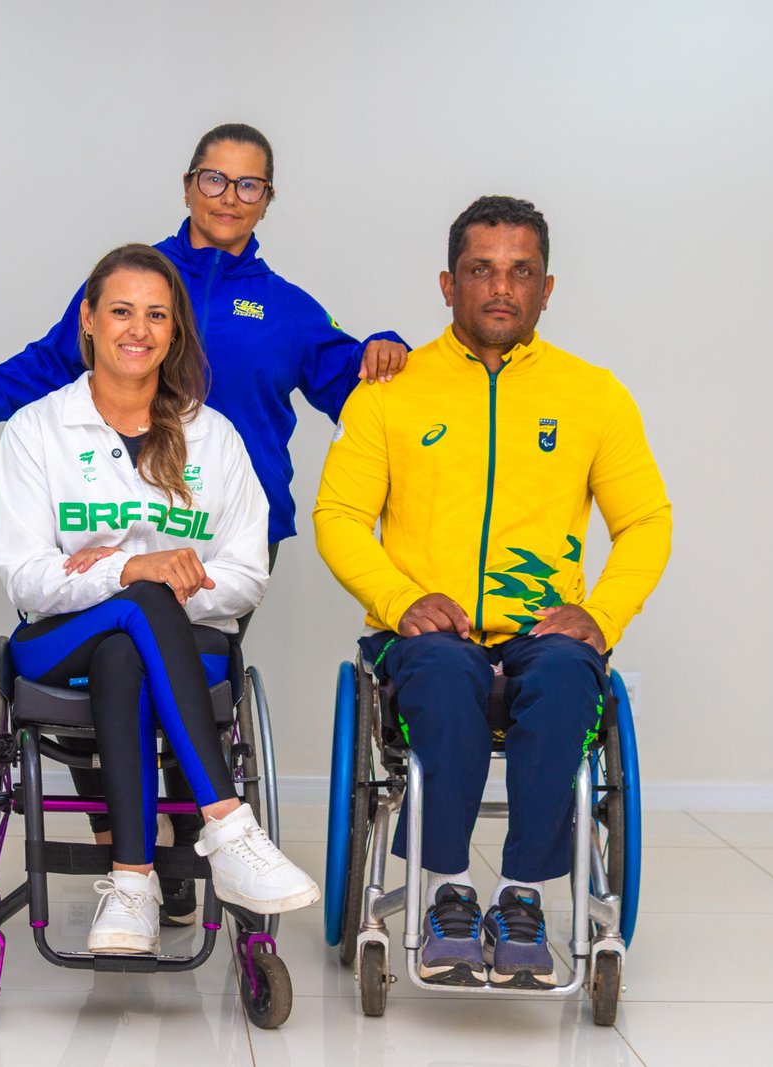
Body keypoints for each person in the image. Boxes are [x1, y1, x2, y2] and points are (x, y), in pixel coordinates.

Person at [0, 121, 409, 922]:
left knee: (164, 656)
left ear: (268, 200)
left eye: (248, 184)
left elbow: (355, 385)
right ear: (188, 185)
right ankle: (181, 840)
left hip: (218, 532)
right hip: (96, 524)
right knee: (131, 646)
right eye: (214, 178)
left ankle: (163, 864)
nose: (229, 196)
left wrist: (384, 351)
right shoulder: (135, 280)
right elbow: (51, 366)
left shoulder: (287, 310)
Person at [314, 196, 671, 989]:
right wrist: (399, 597)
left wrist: (601, 613)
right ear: (449, 284)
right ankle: (447, 890)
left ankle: (523, 898)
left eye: (521, 271)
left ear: (548, 288)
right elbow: (338, 514)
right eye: (481, 269)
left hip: (539, 633)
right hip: (426, 636)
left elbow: (646, 520)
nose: (501, 287)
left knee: (570, 675)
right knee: (445, 672)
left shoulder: (594, 394)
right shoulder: (389, 391)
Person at [0, 243, 320, 956]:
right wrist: (132, 570)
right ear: (88, 320)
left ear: (175, 332)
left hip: (186, 644)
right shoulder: (37, 430)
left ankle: (133, 882)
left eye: (157, 315)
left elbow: (248, 574)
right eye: (121, 311)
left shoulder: (214, 437)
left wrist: (151, 583)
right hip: (57, 642)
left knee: (126, 650)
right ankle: (228, 826)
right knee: (134, 606)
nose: (137, 329)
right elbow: (25, 577)